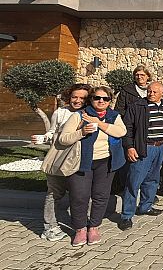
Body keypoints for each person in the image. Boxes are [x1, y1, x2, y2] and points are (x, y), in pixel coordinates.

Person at [59, 86, 127, 246]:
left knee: (101, 196)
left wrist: (99, 123)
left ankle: (94, 227)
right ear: (91, 99)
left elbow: (121, 132)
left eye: (105, 99)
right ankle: (80, 229)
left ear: (110, 101)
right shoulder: (80, 115)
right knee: (79, 197)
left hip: (106, 161)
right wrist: (81, 133)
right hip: (82, 162)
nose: (101, 101)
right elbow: (63, 139)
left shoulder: (113, 115)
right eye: (97, 98)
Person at [35, 83, 91, 242]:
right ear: (69, 97)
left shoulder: (89, 113)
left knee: (81, 193)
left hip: (80, 159)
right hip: (60, 158)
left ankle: (80, 224)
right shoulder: (60, 113)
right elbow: (51, 132)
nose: (78, 100)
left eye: (82, 98)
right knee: (54, 193)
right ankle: (50, 227)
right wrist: (44, 137)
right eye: (75, 97)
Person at [119, 82, 163, 231]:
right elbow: (127, 128)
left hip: (160, 147)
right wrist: (129, 147)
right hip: (144, 148)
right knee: (134, 181)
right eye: (149, 91)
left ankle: (145, 206)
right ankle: (126, 215)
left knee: (153, 179)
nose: (151, 94)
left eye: (155, 92)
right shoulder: (137, 106)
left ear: (162, 93)